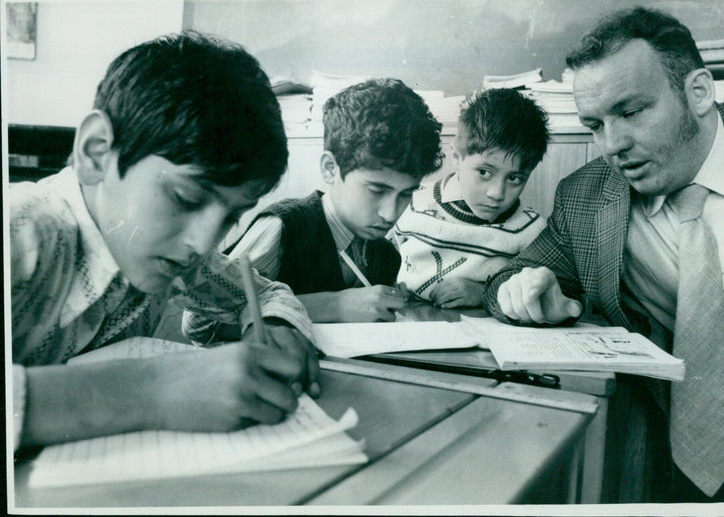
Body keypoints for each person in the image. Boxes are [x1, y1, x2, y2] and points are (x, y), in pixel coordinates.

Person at [483, 7, 724, 503]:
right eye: (595, 124)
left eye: (630, 112)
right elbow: (512, 279)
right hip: (694, 436)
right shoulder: (588, 197)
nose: (612, 145)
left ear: (698, 92)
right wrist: (527, 294)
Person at [9, 32, 321, 451]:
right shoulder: (20, 233)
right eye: (185, 197)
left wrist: (278, 326)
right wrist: (153, 389)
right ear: (97, 153)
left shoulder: (173, 253)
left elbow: (266, 294)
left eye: (231, 215)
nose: (204, 241)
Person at [181, 77, 443, 342]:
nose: (390, 214)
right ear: (331, 169)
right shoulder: (286, 227)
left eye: (406, 194)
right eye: (377, 190)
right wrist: (334, 306)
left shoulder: (385, 254)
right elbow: (201, 324)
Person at [393, 88, 549, 308]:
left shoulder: (531, 230)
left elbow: (539, 294)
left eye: (514, 178)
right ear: (457, 157)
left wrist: (485, 294)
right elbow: (378, 263)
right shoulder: (410, 202)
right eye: (484, 172)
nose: (496, 193)